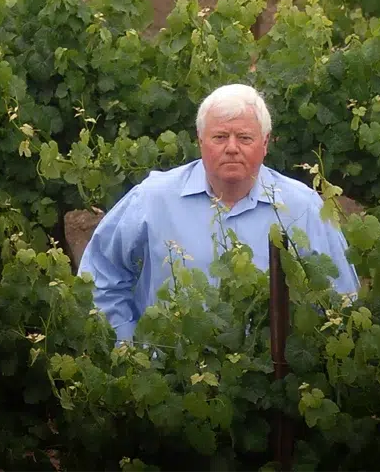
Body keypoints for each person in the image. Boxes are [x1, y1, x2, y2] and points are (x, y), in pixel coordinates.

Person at [78, 83, 360, 341]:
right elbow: (100, 275)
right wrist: (129, 346)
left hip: (273, 383)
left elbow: (342, 298)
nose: (232, 148)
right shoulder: (152, 199)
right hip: (168, 378)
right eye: (220, 136)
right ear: (200, 140)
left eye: (245, 137)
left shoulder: (303, 207)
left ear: (265, 143)